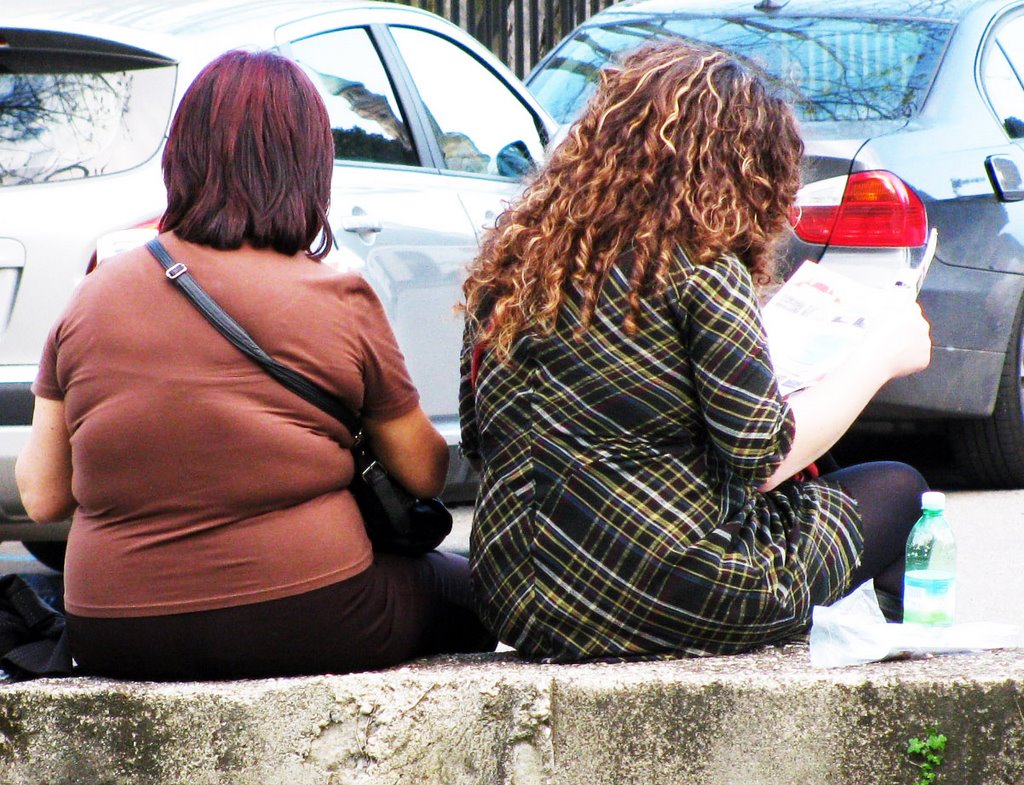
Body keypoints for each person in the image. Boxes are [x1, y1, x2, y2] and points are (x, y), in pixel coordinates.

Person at [14, 50, 494, 680]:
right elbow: (426, 473)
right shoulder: (338, 296)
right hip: (316, 611)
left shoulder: (92, 295)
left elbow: (44, 495)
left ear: (180, 157)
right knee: (483, 597)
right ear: (309, 167)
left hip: (114, 630)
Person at [458, 41, 932, 662]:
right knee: (901, 490)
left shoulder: (515, 264)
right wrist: (880, 357)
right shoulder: (702, 265)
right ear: (746, 171)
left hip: (518, 595)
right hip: (673, 586)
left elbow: (476, 439)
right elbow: (760, 458)